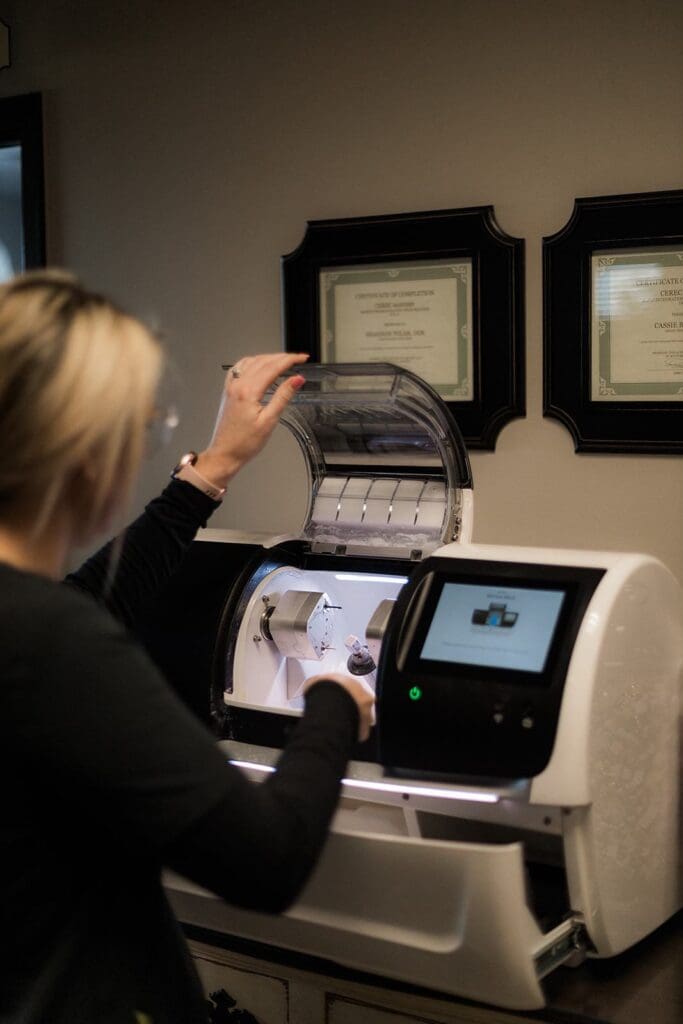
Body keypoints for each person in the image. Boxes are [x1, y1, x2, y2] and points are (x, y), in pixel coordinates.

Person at [0, 270, 374, 1024]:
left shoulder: (31, 624)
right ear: (86, 453)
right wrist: (333, 705)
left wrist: (212, 470)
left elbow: (80, 603)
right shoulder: (45, 641)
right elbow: (265, 860)